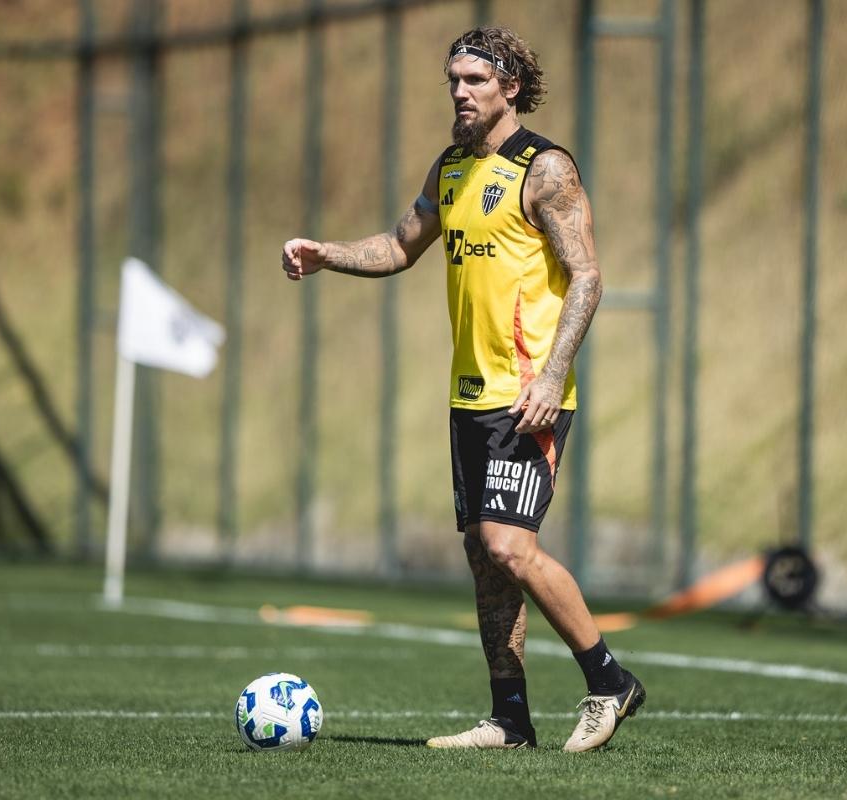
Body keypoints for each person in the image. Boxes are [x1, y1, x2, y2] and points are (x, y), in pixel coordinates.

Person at [280, 25, 645, 753]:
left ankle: (610, 681)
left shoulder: (545, 170)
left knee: (509, 547)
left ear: (511, 87)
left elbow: (587, 276)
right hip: (470, 396)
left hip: (527, 396)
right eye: (453, 79)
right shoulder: (450, 168)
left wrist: (553, 375)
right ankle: (510, 719)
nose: (460, 92)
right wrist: (328, 255)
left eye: (475, 80)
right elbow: (399, 244)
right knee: (485, 555)